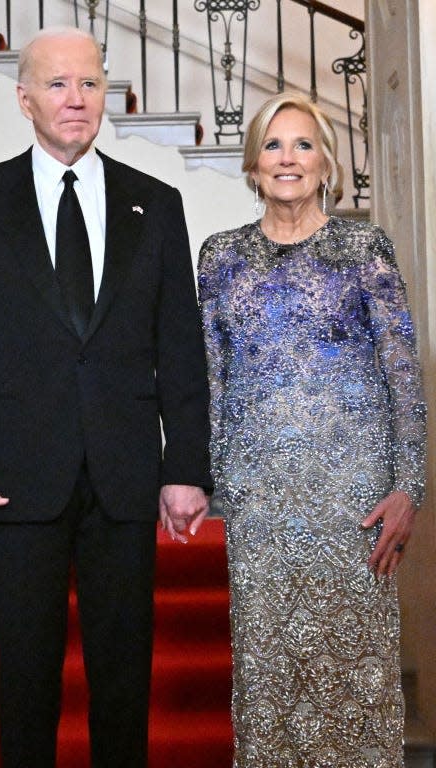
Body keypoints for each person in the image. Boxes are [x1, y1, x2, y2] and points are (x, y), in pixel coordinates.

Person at [0, 27, 212, 768]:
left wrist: (185, 467)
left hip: (124, 477)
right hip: (14, 481)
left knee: (124, 680)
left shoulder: (158, 205)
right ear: (24, 99)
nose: (76, 98)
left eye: (88, 83)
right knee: (25, 678)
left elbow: (180, 352)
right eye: (57, 84)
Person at [198, 90, 426, 767]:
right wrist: (212, 482)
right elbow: (208, 380)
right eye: (273, 144)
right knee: (271, 678)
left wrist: (409, 485)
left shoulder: (364, 248)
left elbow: (404, 374)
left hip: (352, 508)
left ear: (326, 162)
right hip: (261, 507)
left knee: (355, 680)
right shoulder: (220, 257)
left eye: (303, 144)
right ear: (253, 161)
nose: (287, 158)